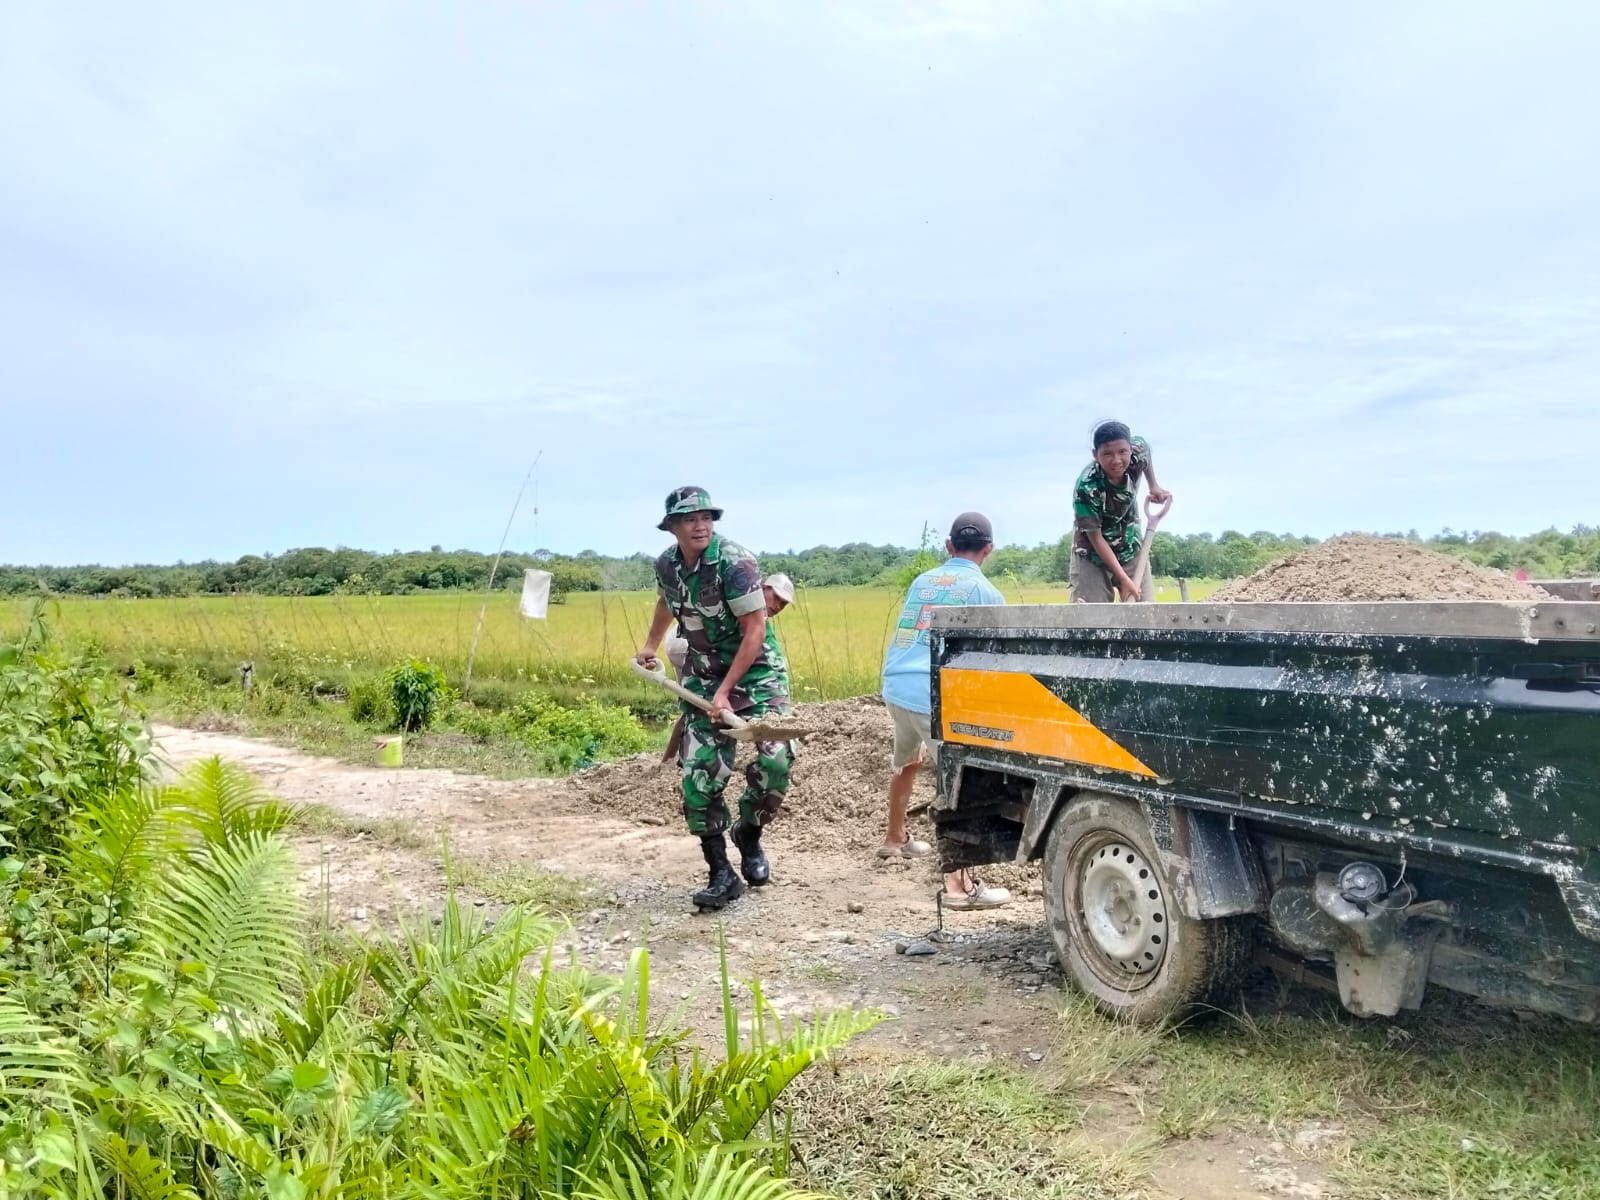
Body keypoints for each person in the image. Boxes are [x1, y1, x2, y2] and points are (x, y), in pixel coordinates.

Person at [636, 486, 797, 910]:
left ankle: (750, 832)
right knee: (699, 775)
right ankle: (720, 872)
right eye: (689, 518)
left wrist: (726, 693)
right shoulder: (667, 565)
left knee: (775, 759)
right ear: (671, 526)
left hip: (757, 674)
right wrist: (651, 646)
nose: (700, 524)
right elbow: (666, 603)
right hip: (703, 676)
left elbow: (755, 632)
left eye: (706, 516)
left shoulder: (735, 563)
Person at [879, 512, 1012, 911]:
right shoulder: (986, 593)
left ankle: (895, 839)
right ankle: (960, 885)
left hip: (896, 683)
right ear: (988, 550)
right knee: (958, 782)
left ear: (949, 547)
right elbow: (992, 660)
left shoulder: (923, 581)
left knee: (907, 762)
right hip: (931, 695)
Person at [1070, 420, 1172, 603]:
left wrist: (1153, 485)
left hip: (1129, 545)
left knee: (1145, 615)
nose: (1116, 460)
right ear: (1095, 455)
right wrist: (1124, 580)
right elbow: (1095, 538)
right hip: (1093, 553)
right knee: (1092, 619)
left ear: (1130, 450)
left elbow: (1146, 452)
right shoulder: (1086, 487)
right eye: (1107, 454)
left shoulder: (1137, 452)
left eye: (1122, 452)